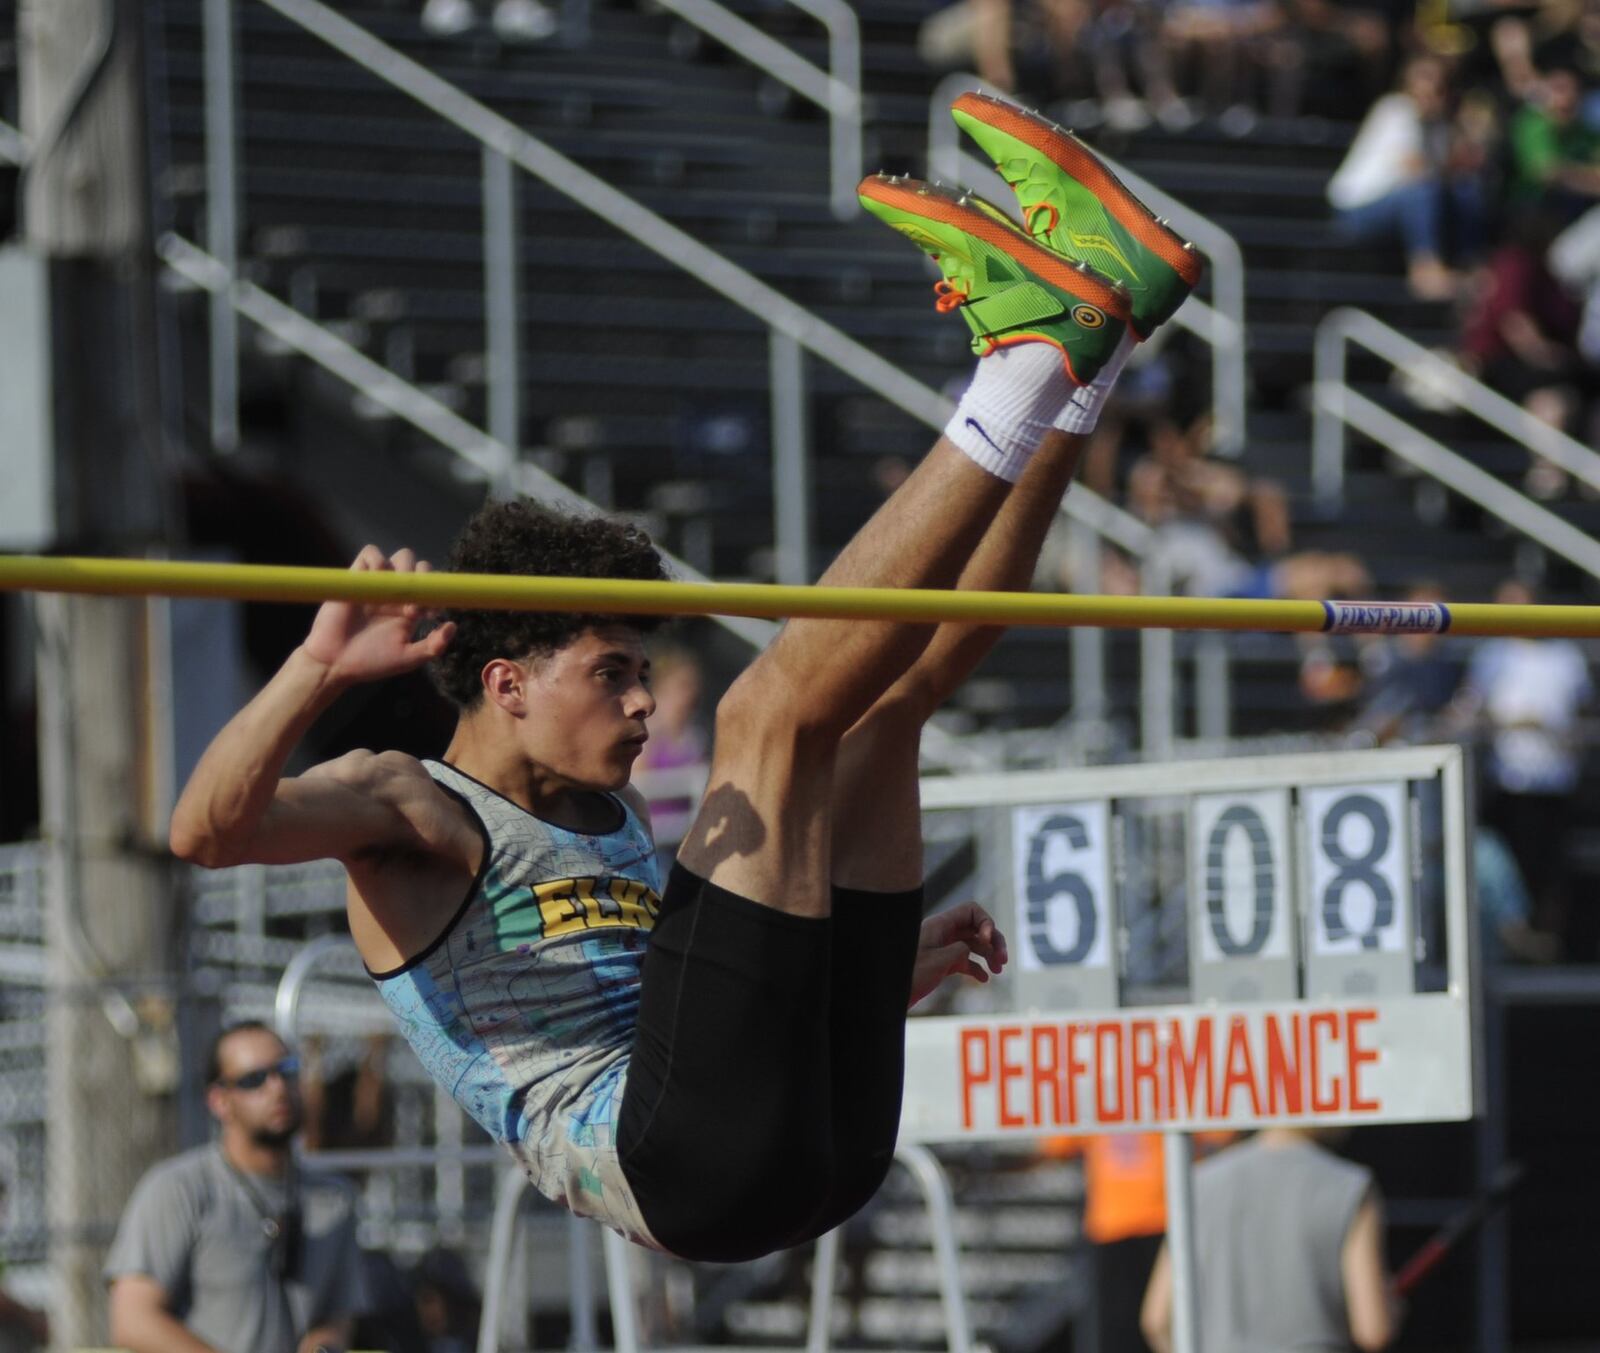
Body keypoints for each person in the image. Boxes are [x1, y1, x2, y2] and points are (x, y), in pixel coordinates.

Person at [168, 91, 1201, 1262]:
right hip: (679, 1164)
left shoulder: (600, 817)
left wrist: (870, 968)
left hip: (815, 1146)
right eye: (610, 673)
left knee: (890, 706)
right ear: (505, 684)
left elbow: (706, 995)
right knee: (771, 713)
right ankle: (1020, 361)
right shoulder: (414, 805)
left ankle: (1085, 363)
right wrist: (312, 666)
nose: (644, 704)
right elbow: (204, 832)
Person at [105, 1021, 368, 1353]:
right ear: (219, 1101)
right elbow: (132, 1321)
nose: (277, 1088)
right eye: (253, 1080)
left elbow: (337, 1316)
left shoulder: (335, 1199)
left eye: (286, 1070)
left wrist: (325, 1345)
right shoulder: (178, 1189)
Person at [1139, 1128, 1399, 1353]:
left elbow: (1156, 1320)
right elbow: (1373, 1330)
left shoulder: (1198, 1183)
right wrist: (1392, 1306)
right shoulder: (1350, 1186)